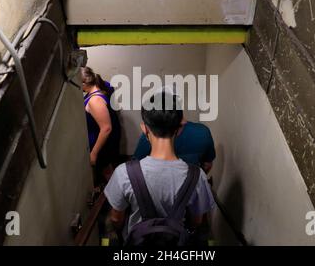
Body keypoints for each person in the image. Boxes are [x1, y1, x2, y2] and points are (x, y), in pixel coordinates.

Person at [104, 91, 215, 244]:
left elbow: (116, 218)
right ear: (180, 127)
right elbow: (196, 221)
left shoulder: (124, 173)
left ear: (144, 129)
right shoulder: (197, 176)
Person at [133, 99, 216, 173]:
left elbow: (137, 163)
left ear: (144, 129)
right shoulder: (202, 132)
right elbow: (207, 165)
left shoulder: (124, 173)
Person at [81, 67, 120, 185]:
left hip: (103, 143)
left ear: (83, 83)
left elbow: (106, 128)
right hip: (104, 140)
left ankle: (119, 196)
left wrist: (94, 153)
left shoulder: (95, 100)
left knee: (106, 170)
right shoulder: (103, 86)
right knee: (107, 170)